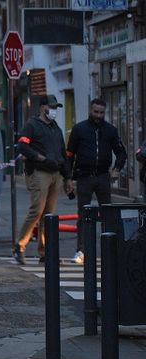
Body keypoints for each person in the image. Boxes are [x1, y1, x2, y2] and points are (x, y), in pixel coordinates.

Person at [13, 95, 73, 265]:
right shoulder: (32, 125)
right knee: (36, 211)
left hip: (55, 173)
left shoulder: (55, 128)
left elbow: (63, 153)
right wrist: (39, 158)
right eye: (51, 107)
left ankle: (45, 252)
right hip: (39, 173)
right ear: (42, 107)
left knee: (48, 215)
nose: (53, 111)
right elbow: (22, 146)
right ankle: (20, 246)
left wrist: (68, 177)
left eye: (55, 108)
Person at [67, 98, 127, 264]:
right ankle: (81, 251)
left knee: (107, 214)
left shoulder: (110, 130)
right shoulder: (79, 129)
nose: (98, 115)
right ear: (90, 110)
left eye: (101, 112)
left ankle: (108, 251)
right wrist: (69, 178)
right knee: (83, 215)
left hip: (102, 176)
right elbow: (70, 155)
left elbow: (122, 153)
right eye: (96, 112)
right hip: (84, 176)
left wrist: (116, 169)